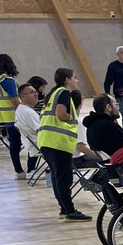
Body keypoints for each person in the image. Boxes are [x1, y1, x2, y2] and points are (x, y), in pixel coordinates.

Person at [38, 68, 91, 221]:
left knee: (57, 177)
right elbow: (60, 114)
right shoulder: (64, 93)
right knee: (64, 178)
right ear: (67, 80)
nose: (77, 81)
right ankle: (69, 211)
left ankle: (64, 209)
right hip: (57, 141)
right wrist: (73, 117)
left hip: (47, 140)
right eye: (75, 78)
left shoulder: (54, 93)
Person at [0, 54, 28, 179]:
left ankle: (19, 170)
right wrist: (25, 112)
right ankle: (31, 168)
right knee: (30, 141)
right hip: (15, 116)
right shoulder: (8, 80)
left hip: (4, 117)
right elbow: (14, 99)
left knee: (14, 144)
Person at [13, 84, 42, 177]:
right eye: (32, 92)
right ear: (22, 96)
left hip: (31, 142)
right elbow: (40, 130)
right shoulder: (28, 112)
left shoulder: (21, 109)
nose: (36, 94)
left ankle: (31, 169)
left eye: (35, 92)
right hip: (39, 143)